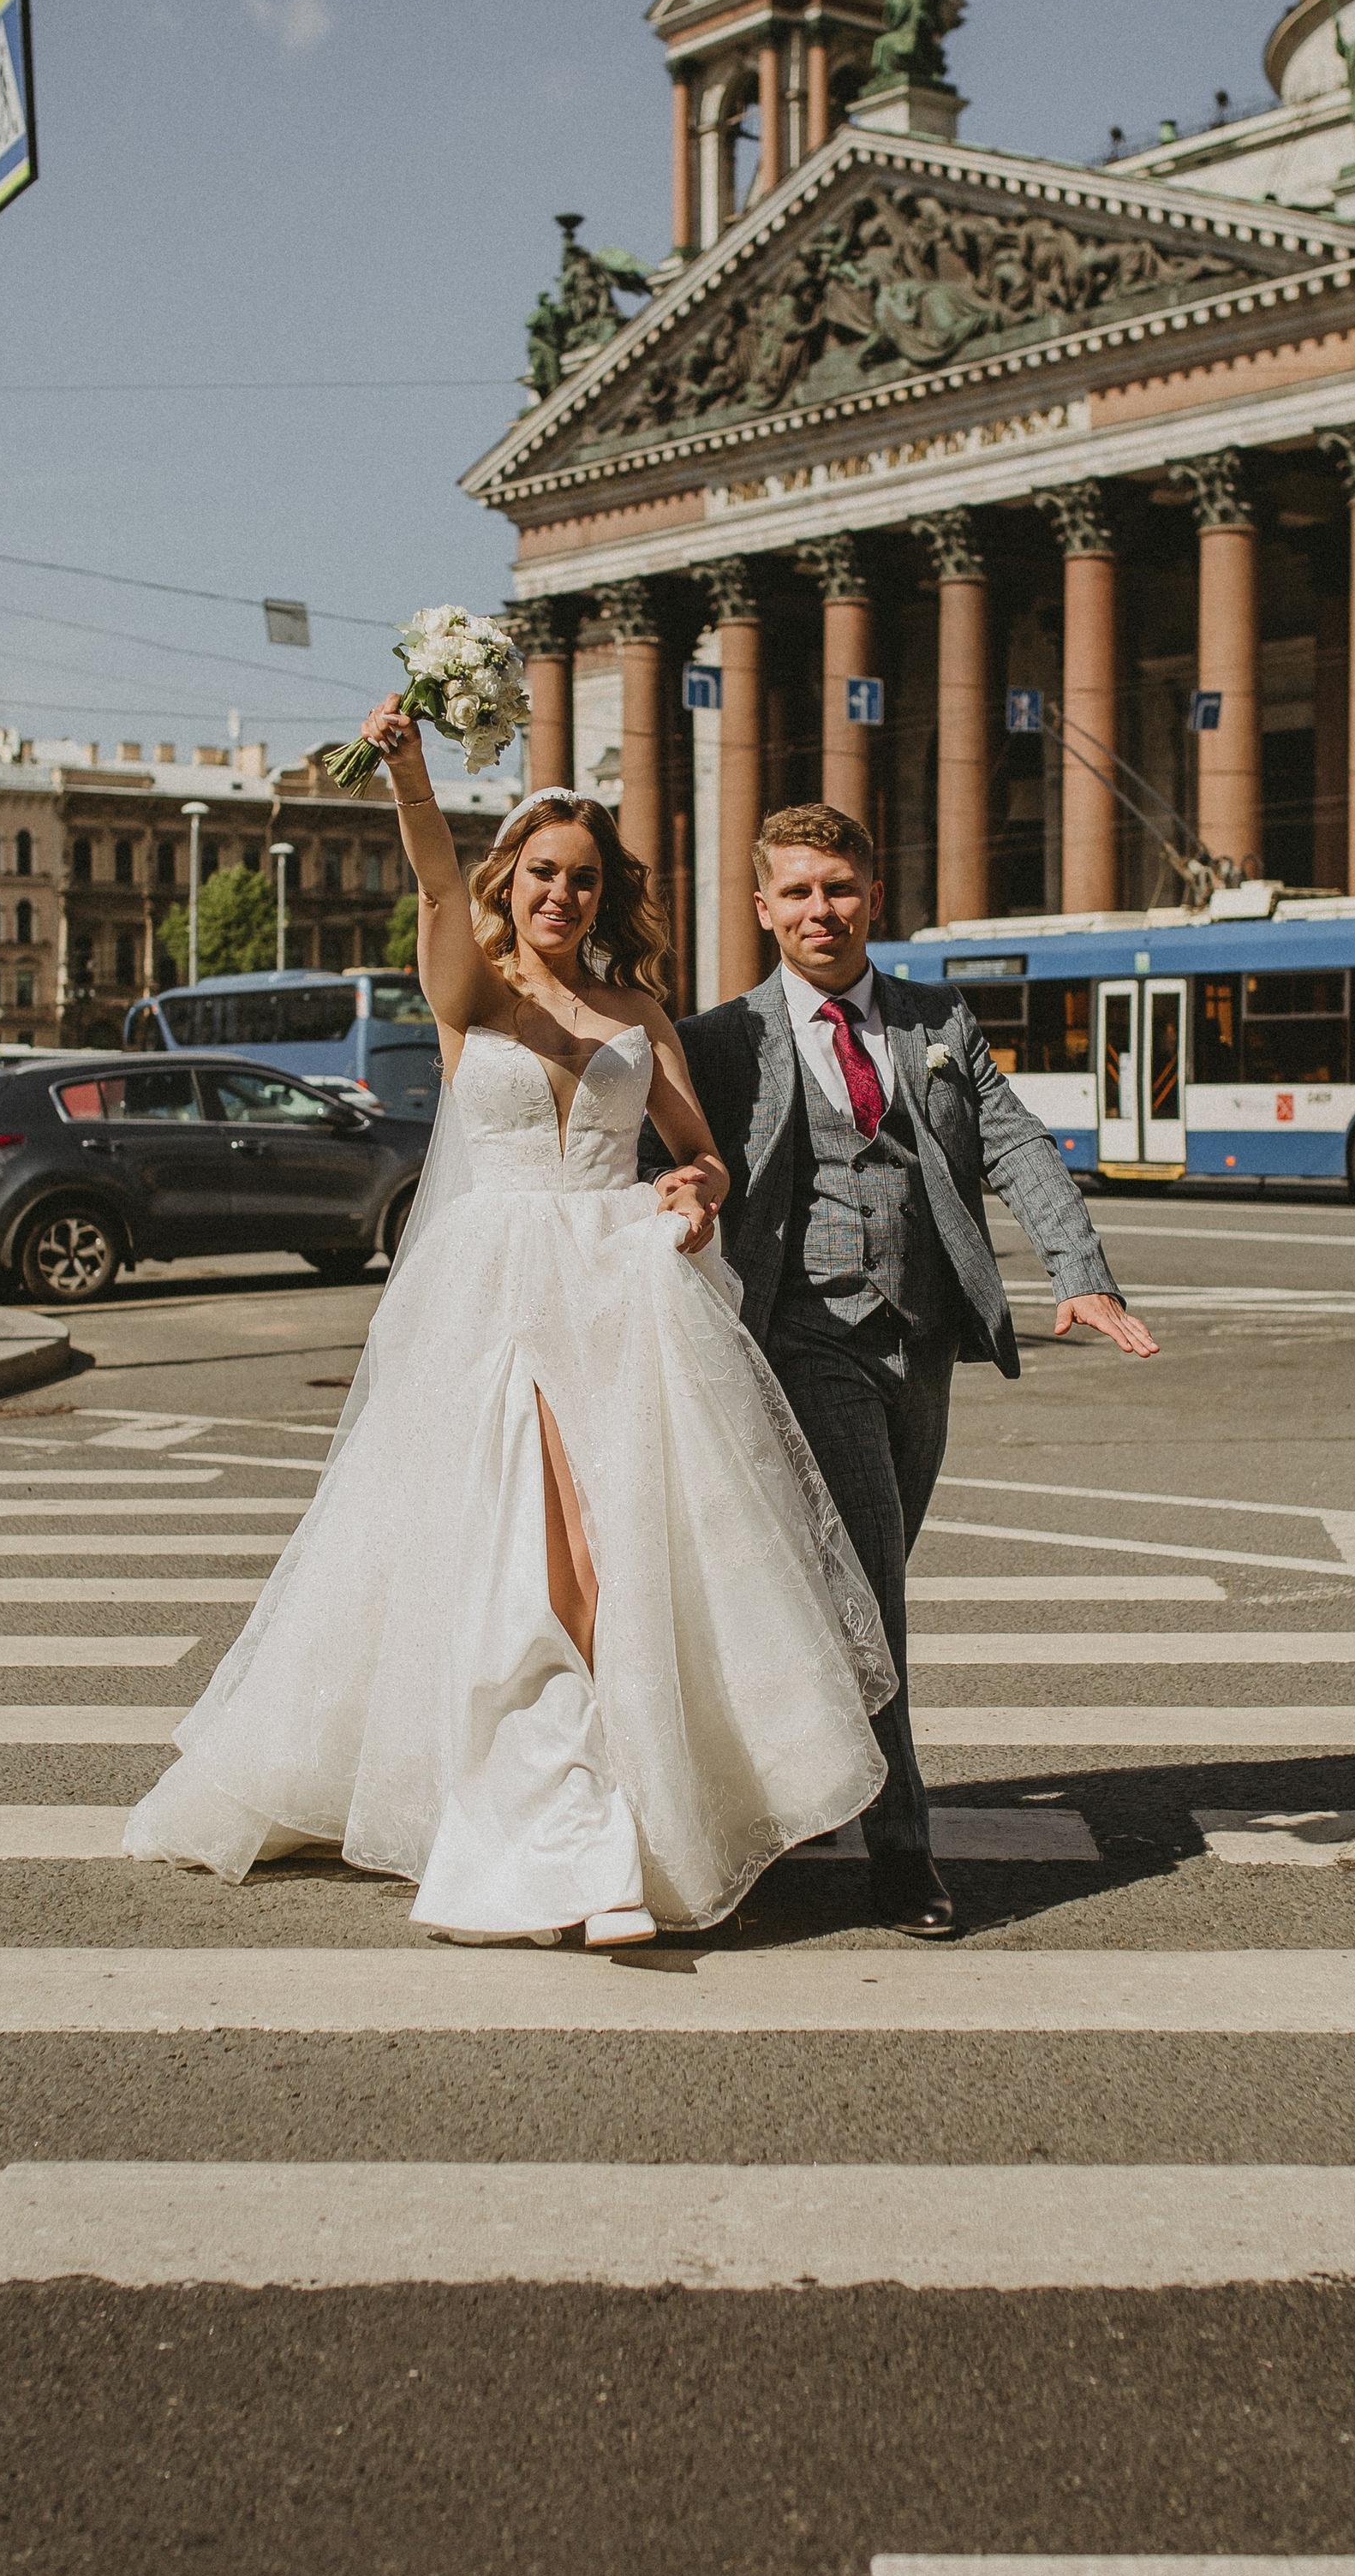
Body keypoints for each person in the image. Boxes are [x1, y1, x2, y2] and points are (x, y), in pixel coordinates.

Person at [123, 713, 892, 1945]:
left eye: (585, 877)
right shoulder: (470, 988)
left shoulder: (637, 1005)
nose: (564, 894)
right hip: (491, 1301)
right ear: (511, 881)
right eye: (543, 872)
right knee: (539, 1564)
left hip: (618, 1289)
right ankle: (559, 1838)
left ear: (605, 892)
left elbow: (698, 1157)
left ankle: (613, 1819)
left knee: (615, 1571)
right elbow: (434, 875)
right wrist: (412, 776)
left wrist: (691, 1200)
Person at [668, 804, 1159, 1941]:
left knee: (838, 1599)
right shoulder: (722, 1037)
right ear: (761, 910)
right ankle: (901, 1854)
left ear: (872, 896)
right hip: (802, 1341)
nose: (819, 911)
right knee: (875, 1596)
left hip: (924, 1341)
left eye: (837, 888)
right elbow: (673, 1156)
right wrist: (681, 1198)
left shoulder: (938, 1019)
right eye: (795, 892)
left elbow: (1016, 1138)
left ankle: (782, 1792)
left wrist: (1082, 1268)